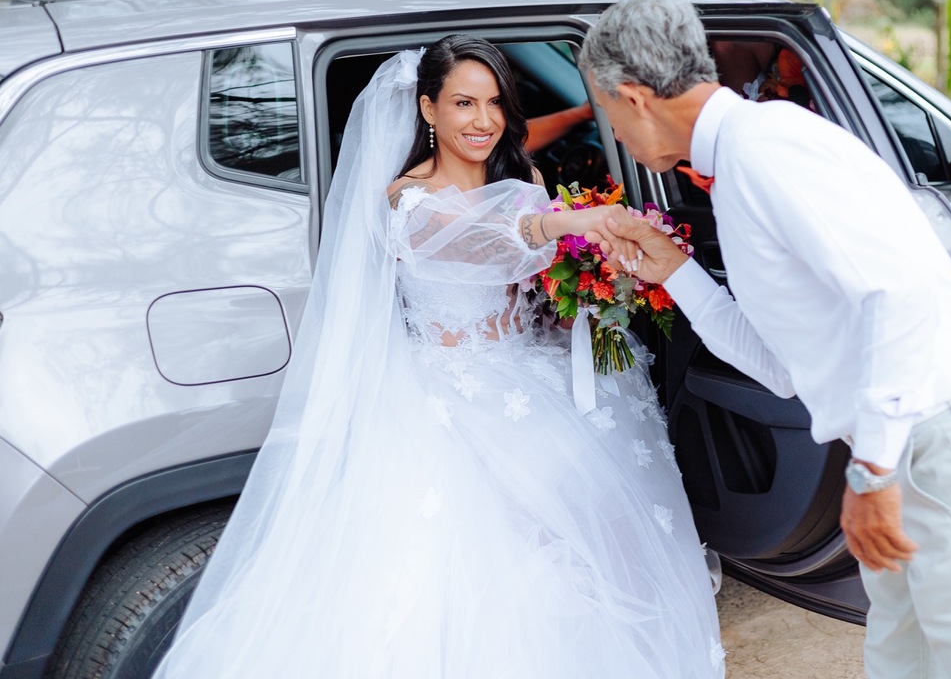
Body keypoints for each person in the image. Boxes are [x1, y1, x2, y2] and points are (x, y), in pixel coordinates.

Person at [153, 35, 725, 678]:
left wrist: (590, 286)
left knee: (598, 541)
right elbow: (485, 240)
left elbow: (532, 288)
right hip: (451, 400)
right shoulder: (408, 199)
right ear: (428, 109)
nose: (483, 121)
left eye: (495, 103)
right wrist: (569, 224)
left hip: (536, 377)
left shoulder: (526, 181)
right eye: (463, 103)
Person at [579, 0, 951, 679]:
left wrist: (872, 473)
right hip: (905, 445)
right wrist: (676, 270)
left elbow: (899, 296)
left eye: (607, 110)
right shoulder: (741, 159)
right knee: (901, 660)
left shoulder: (768, 150)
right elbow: (781, 364)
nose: (614, 133)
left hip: (943, 443)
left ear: (633, 97)